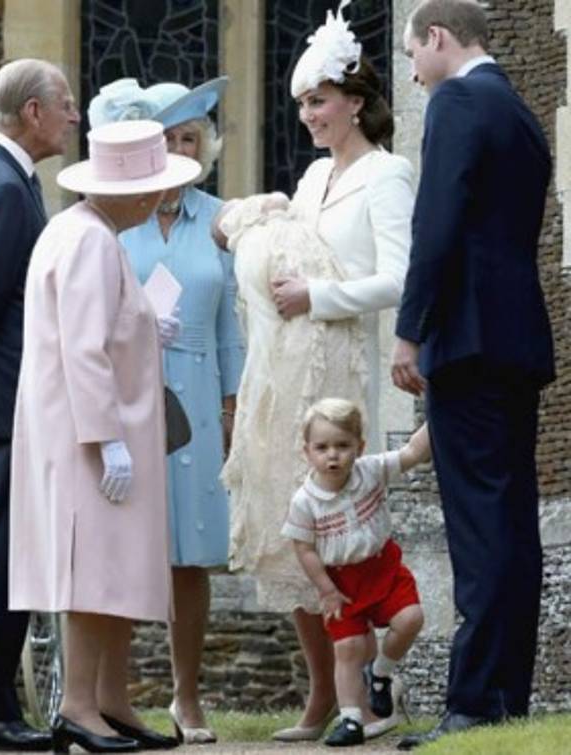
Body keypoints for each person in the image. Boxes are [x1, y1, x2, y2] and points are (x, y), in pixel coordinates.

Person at [219, 2, 416, 742]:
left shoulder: (388, 175)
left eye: (319, 100)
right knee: (293, 524)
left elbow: (399, 277)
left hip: (339, 371)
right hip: (288, 373)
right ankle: (321, 694)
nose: (307, 114)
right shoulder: (306, 180)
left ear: (355, 102)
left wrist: (318, 295)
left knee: (335, 536)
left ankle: (352, 694)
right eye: (299, 103)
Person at [391, 1, 554, 748]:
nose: (415, 73)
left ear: (438, 38)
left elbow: (438, 220)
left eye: (413, 54)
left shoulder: (457, 99)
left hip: (467, 339)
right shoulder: (520, 112)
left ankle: (474, 705)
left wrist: (409, 329)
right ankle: (505, 696)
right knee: (513, 520)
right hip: (518, 338)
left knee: (479, 525)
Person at [9, 119, 200, 753]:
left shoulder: (86, 232)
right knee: (91, 572)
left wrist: (148, 329)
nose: (155, 200)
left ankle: (112, 702)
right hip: (90, 437)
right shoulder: (89, 240)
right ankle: (80, 707)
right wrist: (105, 437)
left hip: (99, 430)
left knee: (115, 569)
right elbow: (83, 349)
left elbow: (104, 328)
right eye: (150, 188)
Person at [90, 74, 244, 745]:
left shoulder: (219, 218)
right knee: (128, 547)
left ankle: (187, 696)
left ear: (204, 147)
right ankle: (108, 694)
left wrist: (236, 402)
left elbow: (232, 324)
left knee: (190, 557)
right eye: (168, 136)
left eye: (190, 136)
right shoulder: (115, 217)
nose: (179, 146)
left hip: (201, 401)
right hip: (129, 394)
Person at [0, 58, 78, 754]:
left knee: (11, 558)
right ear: (33, 112)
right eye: (65, 104)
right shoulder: (2, 185)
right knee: (1, 561)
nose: (74, 116)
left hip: (4, 403)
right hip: (2, 405)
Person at [282, 399, 429, 747]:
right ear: (307, 452)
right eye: (322, 448)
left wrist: (439, 410)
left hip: (383, 567)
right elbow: (303, 548)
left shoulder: (370, 470)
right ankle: (350, 719)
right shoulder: (305, 501)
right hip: (341, 582)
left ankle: (380, 674)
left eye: (342, 446)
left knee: (411, 619)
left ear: (359, 447)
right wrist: (326, 589)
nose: (332, 456)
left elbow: (411, 453)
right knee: (346, 647)